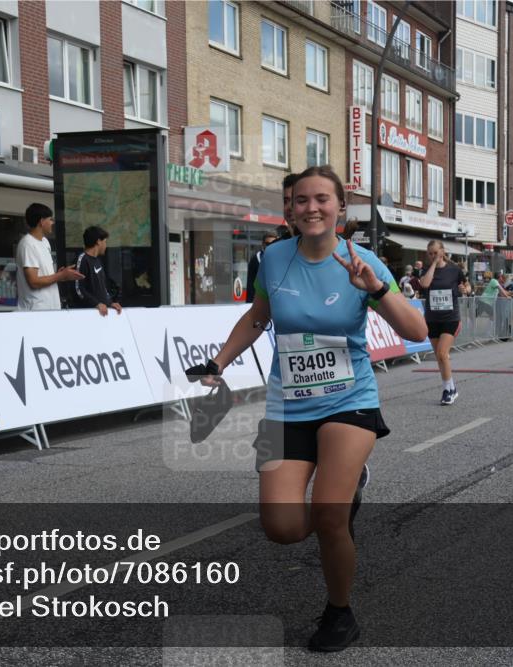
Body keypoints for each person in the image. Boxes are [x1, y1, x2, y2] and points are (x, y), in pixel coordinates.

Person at [192, 166, 427, 652]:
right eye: (302, 200)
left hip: (350, 401)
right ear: (290, 208)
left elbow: (417, 333)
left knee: (328, 516)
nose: (312, 208)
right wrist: (217, 362)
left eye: (322, 199)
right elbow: (258, 318)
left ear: (341, 207)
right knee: (281, 527)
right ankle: (349, 486)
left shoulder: (364, 263)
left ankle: (339, 613)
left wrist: (376, 289)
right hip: (287, 406)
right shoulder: (273, 259)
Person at [418, 240, 468, 405]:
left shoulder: (454, 270)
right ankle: (452, 387)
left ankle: (447, 390)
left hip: (450, 318)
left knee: (441, 353)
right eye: (430, 253)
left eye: (435, 252)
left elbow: (467, 286)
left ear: (442, 251)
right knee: (440, 358)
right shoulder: (426, 270)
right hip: (432, 319)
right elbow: (424, 284)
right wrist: (433, 264)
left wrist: (464, 290)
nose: (433, 256)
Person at [16, 203, 83, 311]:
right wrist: (60, 275)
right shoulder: (27, 244)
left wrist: (60, 275)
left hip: (50, 308)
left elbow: (45, 277)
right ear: (42, 222)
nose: (53, 222)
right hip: (36, 310)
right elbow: (34, 282)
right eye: (50, 219)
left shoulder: (45, 242)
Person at [74, 225, 122, 316]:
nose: (106, 245)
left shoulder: (97, 260)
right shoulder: (82, 259)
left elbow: (102, 288)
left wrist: (110, 303)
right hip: (88, 315)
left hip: (101, 314)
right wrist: (96, 304)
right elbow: (78, 289)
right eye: (105, 242)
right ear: (98, 242)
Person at [247, 231, 280, 303]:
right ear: (263, 244)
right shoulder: (256, 259)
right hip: (260, 302)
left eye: (274, 243)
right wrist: (249, 303)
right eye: (268, 244)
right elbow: (251, 284)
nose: (271, 246)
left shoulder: (280, 258)